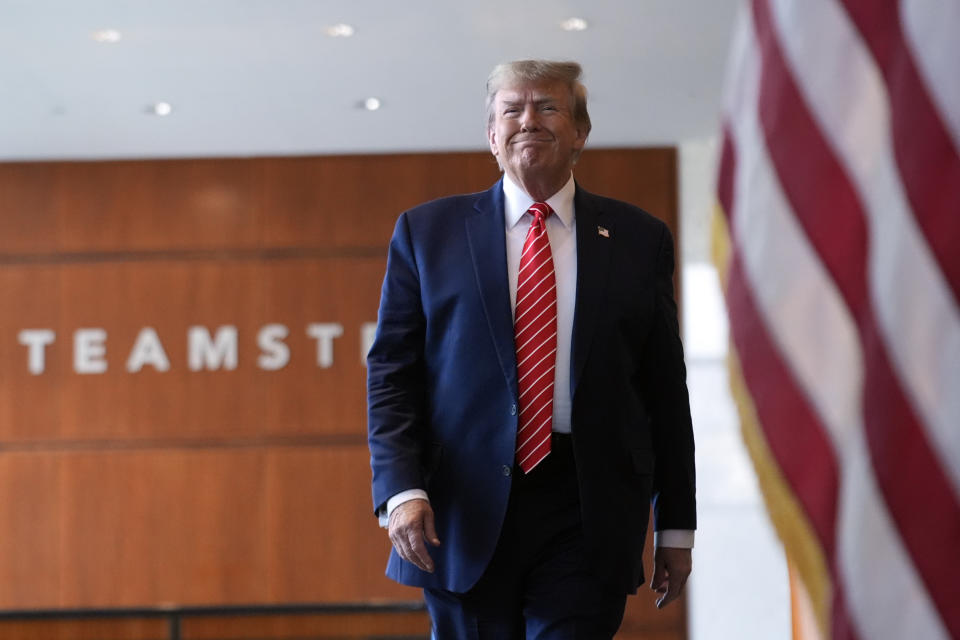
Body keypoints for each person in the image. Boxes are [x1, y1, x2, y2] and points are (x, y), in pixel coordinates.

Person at [367, 59, 696, 638]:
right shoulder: (427, 233)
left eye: (548, 107)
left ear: (580, 133)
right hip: (462, 508)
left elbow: (664, 390)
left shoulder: (639, 239)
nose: (529, 120)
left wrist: (675, 527)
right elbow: (393, 373)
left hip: (588, 505)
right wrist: (400, 489)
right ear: (492, 136)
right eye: (511, 109)